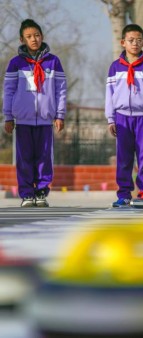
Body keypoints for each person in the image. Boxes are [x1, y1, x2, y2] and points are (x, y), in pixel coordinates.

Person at [2, 19, 66, 208]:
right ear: (22, 39)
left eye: (37, 35)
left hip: (46, 120)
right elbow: (9, 90)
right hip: (23, 120)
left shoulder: (53, 62)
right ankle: (27, 194)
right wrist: (8, 116)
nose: (34, 39)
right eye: (29, 36)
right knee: (24, 159)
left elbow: (60, 89)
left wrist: (60, 114)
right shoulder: (16, 63)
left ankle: (41, 192)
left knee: (44, 158)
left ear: (42, 37)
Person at [105, 24, 143, 207]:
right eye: (131, 40)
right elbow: (110, 94)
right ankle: (124, 193)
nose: (135, 44)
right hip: (122, 117)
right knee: (124, 157)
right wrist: (111, 118)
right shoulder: (115, 67)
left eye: (139, 40)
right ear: (123, 42)